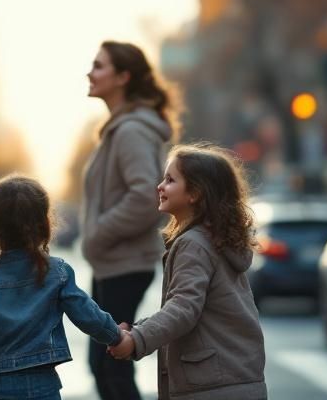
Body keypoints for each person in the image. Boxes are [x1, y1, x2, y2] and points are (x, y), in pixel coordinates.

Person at [107, 143, 267, 400]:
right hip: (238, 382)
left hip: (209, 389)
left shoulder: (194, 243)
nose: (160, 186)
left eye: (170, 180)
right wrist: (138, 328)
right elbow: (195, 308)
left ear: (195, 193)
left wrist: (136, 340)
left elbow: (183, 309)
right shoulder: (217, 241)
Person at [0, 175, 124, 400]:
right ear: (44, 223)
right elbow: (88, 315)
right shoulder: (57, 272)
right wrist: (117, 337)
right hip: (43, 384)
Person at [82, 40, 177, 399]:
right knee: (104, 366)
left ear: (123, 77)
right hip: (113, 264)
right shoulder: (120, 129)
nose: (90, 72)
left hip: (123, 263)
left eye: (99, 66)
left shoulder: (131, 131)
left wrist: (97, 235)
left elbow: (144, 196)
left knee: (111, 366)